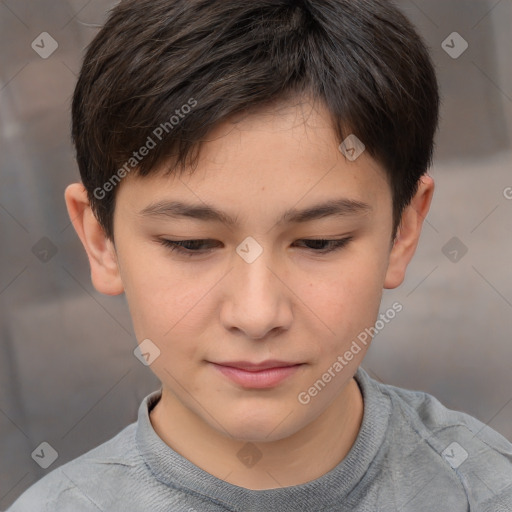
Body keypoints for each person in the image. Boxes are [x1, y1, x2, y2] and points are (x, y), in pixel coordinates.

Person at [7, 0, 512, 510]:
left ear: (403, 231)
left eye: (320, 241)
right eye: (191, 244)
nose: (257, 315)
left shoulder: (484, 489)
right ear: (102, 241)